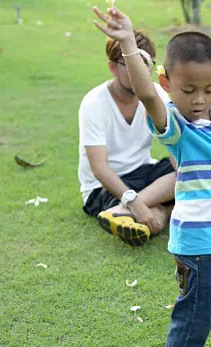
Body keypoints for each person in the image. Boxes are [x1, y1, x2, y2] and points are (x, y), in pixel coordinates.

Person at [92, 3, 211, 347]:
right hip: (198, 247)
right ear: (167, 82)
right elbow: (147, 94)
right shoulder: (176, 125)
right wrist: (129, 43)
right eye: (189, 89)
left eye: (207, 89)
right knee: (194, 322)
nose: (199, 99)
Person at [78, 29, 176, 247]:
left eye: (143, 64)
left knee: (187, 176)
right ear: (112, 67)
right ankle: (151, 214)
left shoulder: (157, 95)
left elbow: (176, 147)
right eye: (129, 63)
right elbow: (99, 168)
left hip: (143, 171)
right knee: (155, 215)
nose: (137, 71)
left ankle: (143, 213)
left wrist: (187, 177)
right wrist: (131, 199)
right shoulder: (94, 103)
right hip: (103, 186)